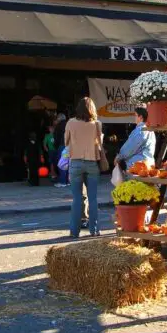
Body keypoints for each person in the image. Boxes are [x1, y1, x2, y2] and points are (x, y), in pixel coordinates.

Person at [64, 97, 102, 237]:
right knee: (93, 198)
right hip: (91, 162)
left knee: (77, 199)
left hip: (75, 162)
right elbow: (100, 143)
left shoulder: (70, 122)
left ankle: (74, 232)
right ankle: (95, 230)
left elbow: (65, 141)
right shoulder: (97, 124)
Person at [114, 107, 156, 171]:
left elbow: (130, 147)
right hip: (149, 163)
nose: (134, 118)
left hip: (137, 165)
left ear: (141, 117)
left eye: (135, 115)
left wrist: (119, 157)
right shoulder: (150, 130)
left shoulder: (140, 130)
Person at [53, 113, 68, 188]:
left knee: (62, 164)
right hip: (69, 146)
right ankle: (67, 181)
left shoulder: (58, 126)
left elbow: (56, 137)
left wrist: (56, 146)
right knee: (68, 163)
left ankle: (62, 181)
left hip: (62, 146)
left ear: (59, 118)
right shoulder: (69, 124)